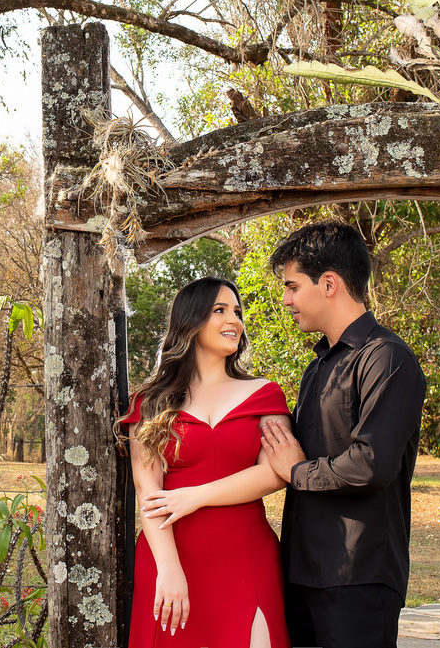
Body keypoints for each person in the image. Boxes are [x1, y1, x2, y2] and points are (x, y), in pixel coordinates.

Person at [259, 220, 427, 648]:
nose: (286, 300)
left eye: (293, 287)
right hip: (302, 572)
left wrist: (297, 472)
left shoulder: (387, 358)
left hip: (358, 574)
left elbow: (371, 464)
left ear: (329, 283)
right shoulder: (318, 366)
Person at [117, 276, 294, 648]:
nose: (234, 320)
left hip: (246, 555)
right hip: (171, 556)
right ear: (191, 321)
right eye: (220, 310)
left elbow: (274, 472)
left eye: (237, 311)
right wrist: (169, 570)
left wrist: (194, 496)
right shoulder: (150, 401)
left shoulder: (264, 394)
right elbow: (148, 490)